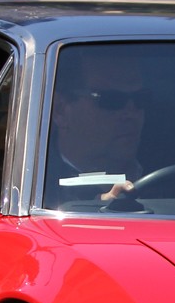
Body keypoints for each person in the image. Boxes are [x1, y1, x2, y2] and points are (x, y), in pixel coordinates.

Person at [51, 46, 146, 202]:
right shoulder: (34, 187)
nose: (130, 113)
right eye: (111, 100)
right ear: (60, 110)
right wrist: (94, 206)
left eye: (141, 99)